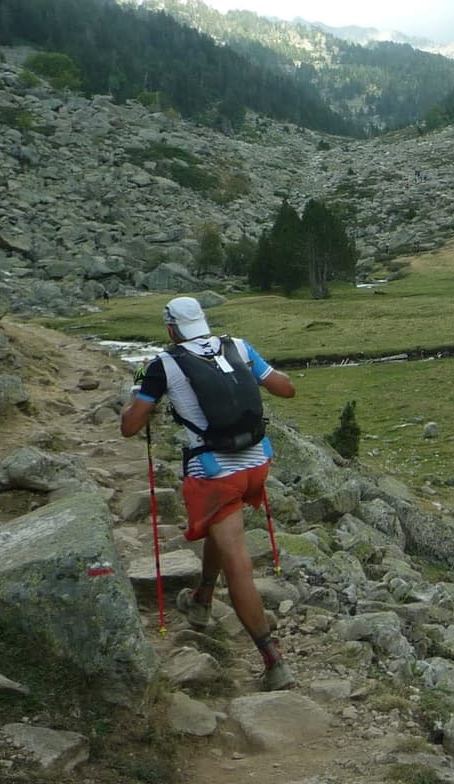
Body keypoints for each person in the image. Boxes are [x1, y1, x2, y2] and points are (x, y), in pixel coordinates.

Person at [120, 296, 296, 690]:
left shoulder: (161, 365)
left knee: (239, 564)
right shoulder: (238, 346)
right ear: (202, 321)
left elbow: (130, 427)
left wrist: (135, 392)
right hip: (256, 465)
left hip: (214, 472)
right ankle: (201, 598)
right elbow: (287, 389)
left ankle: (273, 662)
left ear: (170, 329)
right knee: (223, 527)